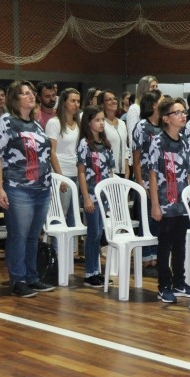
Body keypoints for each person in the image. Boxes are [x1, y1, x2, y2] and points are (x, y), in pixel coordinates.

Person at [0, 80, 55, 298]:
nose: (31, 96)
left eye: (31, 92)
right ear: (14, 99)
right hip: (18, 188)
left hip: (41, 188)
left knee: (33, 235)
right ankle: (17, 279)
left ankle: (32, 277)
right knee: (19, 234)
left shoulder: (36, 124)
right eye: (24, 93)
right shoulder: (6, 122)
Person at [148, 97, 190, 303]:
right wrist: (155, 205)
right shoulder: (157, 141)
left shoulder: (185, 141)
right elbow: (151, 173)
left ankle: (179, 282)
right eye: (177, 113)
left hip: (180, 203)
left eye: (183, 112)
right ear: (166, 119)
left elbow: (186, 173)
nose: (182, 115)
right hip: (164, 202)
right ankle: (164, 285)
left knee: (180, 244)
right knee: (165, 245)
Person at [76, 105, 114, 289]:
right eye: (97, 120)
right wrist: (86, 198)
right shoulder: (84, 144)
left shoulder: (106, 144)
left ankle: (96, 270)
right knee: (93, 233)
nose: (101, 123)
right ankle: (89, 272)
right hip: (92, 194)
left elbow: (110, 171)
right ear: (88, 122)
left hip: (105, 195)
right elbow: (81, 173)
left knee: (99, 233)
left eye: (102, 120)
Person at [132, 90, 165, 270]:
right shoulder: (142, 126)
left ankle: (157, 254)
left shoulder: (163, 125)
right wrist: (139, 183)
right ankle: (146, 255)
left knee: (158, 218)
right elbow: (136, 158)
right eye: (161, 100)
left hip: (161, 179)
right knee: (146, 218)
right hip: (145, 177)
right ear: (153, 105)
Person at [45, 88, 82, 228]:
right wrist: (60, 177)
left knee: (74, 215)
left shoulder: (79, 123)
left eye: (78, 101)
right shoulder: (54, 123)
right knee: (60, 215)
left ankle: (71, 250)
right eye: (73, 101)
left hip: (76, 172)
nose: (76, 104)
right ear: (64, 103)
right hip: (61, 173)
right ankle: (57, 249)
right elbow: (51, 152)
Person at [101, 90, 129, 177]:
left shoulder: (122, 123)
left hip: (123, 172)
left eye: (115, 99)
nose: (114, 101)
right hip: (108, 172)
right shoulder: (101, 124)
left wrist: (127, 172)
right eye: (109, 99)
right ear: (102, 104)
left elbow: (125, 149)